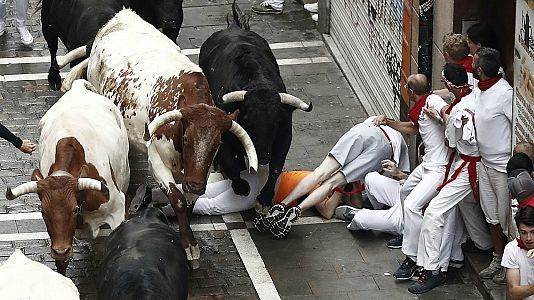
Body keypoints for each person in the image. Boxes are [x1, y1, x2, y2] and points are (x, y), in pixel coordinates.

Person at [408, 63, 493, 293]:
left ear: (447, 84)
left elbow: (450, 142)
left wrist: (439, 119)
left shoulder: (458, 111)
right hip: (478, 164)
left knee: (434, 212)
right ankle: (484, 244)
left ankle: (433, 269)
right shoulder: (477, 95)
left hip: (466, 167)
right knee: (465, 206)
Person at [253, 116, 410, 239]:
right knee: (332, 183)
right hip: (383, 147)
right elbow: (402, 180)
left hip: (361, 130)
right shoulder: (400, 144)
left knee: (319, 172)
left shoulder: (376, 121)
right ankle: (298, 209)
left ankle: (283, 205)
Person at [373, 74, 451, 281]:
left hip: (439, 168)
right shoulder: (423, 102)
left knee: (412, 206)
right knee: (405, 191)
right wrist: (388, 122)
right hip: (428, 163)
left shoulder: (432, 101)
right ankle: (409, 233)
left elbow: (446, 112)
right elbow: (412, 128)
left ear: (410, 91)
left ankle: (413, 257)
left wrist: (441, 120)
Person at [473, 47, 513, 283]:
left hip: (501, 167)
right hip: (484, 163)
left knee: (506, 218)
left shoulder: (505, 94)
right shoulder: (481, 90)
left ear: (480, 70)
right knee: (492, 216)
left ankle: (510, 266)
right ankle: (497, 258)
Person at [191, 169, 362, 219]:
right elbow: (327, 212)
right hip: (257, 191)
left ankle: (166, 192)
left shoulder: (319, 176)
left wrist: (354, 181)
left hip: (255, 178)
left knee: (205, 192)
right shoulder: (316, 185)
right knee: (211, 206)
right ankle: (171, 207)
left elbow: (356, 206)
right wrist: (341, 185)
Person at [501, 203, 534, 299]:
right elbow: (514, 292)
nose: (528, 238)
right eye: (523, 233)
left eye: (533, 232)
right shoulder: (512, 249)